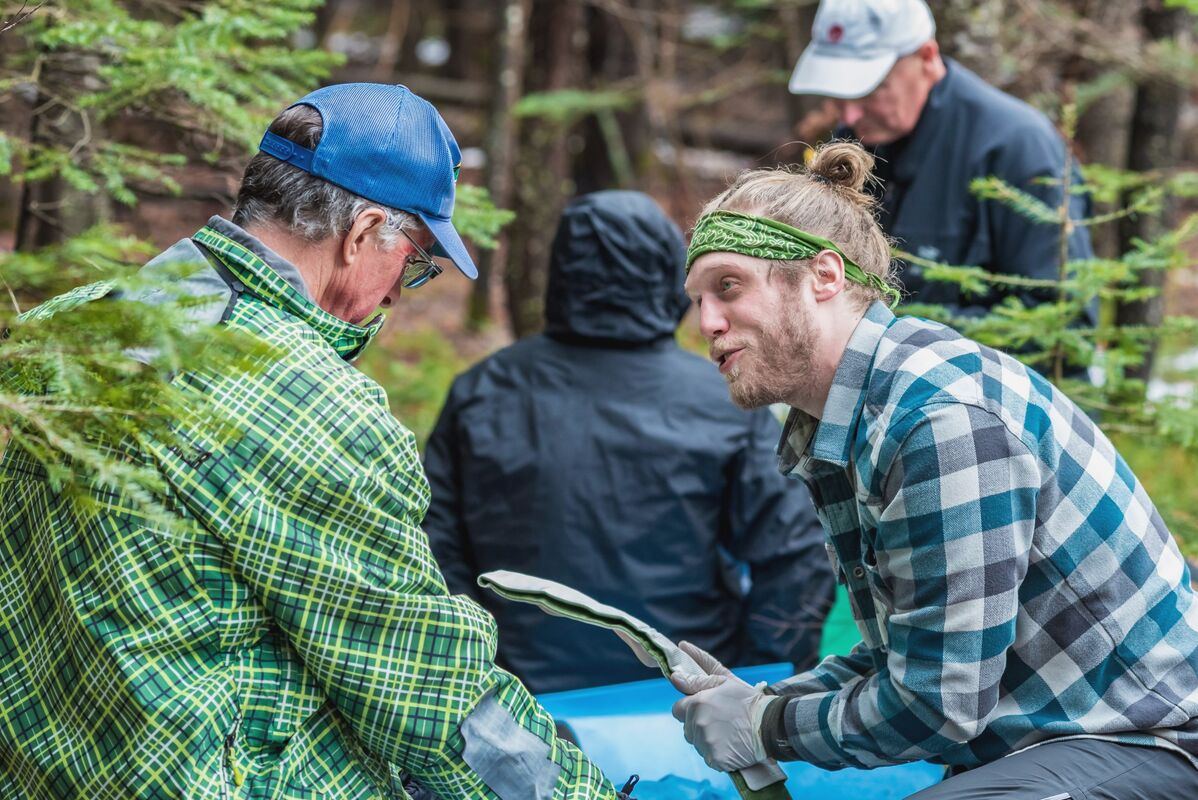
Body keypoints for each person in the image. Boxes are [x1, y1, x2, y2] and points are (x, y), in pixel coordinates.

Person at [0, 84, 624, 799]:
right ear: (362, 234)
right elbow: (428, 690)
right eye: (415, 260)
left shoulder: (75, 322)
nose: (397, 295)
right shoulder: (312, 405)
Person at [668, 140, 1198, 799]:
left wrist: (768, 725)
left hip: (1152, 742)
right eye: (696, 299)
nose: (707, 323)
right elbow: (910, 652)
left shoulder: (937, 419)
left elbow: (937, 707)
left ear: (824, 277)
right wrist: (764, 699)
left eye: (728, 287)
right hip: (1048, 743)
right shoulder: (844, 419)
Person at [422, 190, 834, 694]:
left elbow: (434, 552)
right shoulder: (723, 399)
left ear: (561, 275)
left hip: (523, 700)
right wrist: (751, 686)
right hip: (683, 700)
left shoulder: (482, 390)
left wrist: (475, 678)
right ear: (667, 275)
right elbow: (796, 558)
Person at [788, 0, 1094, 318]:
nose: (849, 114)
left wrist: (894, 335)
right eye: (840, 92)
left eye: (871, 89)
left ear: (927, 57)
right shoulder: (855, 139)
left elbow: (1063, 320)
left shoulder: (1018, 150)